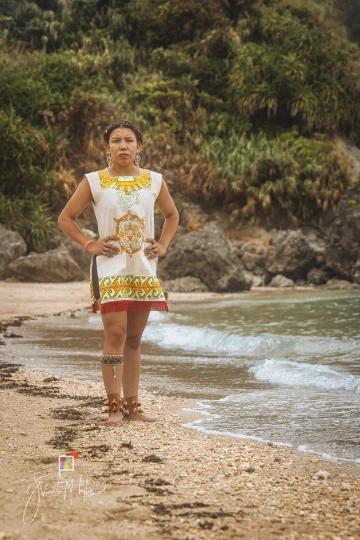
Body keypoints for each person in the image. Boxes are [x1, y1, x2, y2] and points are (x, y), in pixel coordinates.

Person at [58, 120, 179, 426]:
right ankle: (113, 407)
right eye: (116, 141)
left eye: (129, 140)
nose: (123, 146)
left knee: (135, 340)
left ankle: (133, 406)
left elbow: (172, 214)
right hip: (109, 269)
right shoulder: (94, 181)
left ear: (140, 145)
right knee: (115, 334)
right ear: (107, 147)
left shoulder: (154, 181)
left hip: (142, 269)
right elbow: (66, 218)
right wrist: (89, 244)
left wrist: (163, 244)